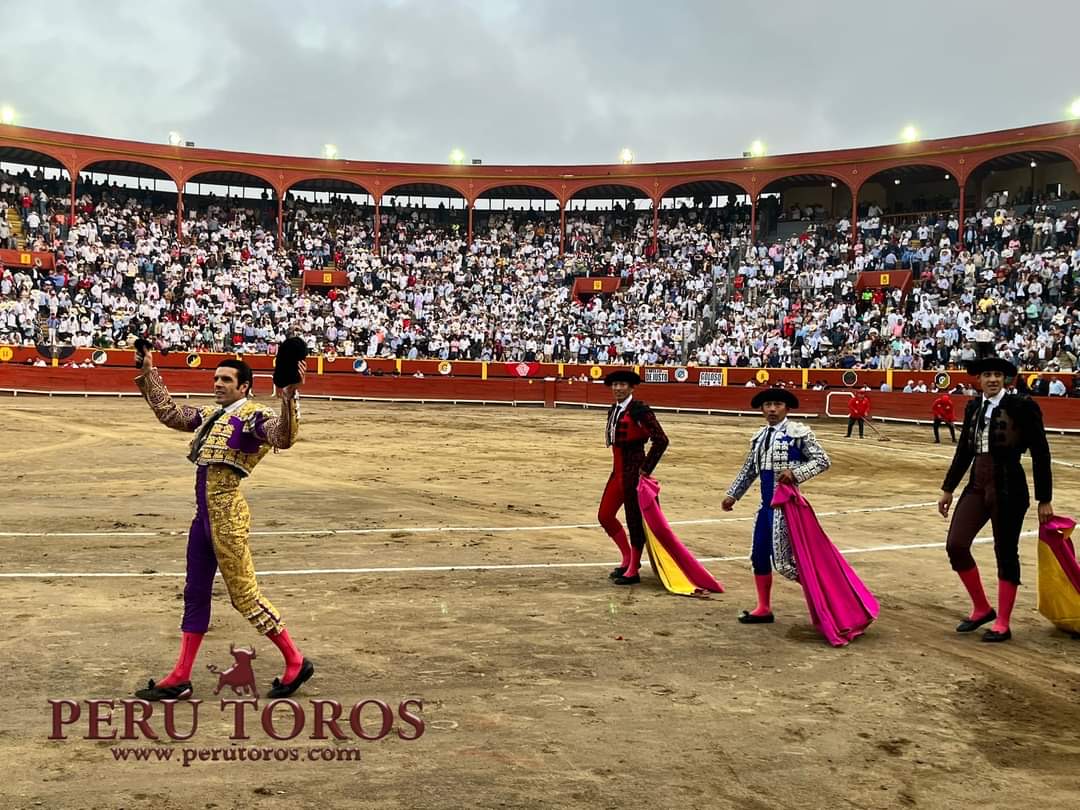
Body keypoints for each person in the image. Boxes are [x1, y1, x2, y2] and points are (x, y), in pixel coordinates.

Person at [132, 345, 315, 699]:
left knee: (244, 596)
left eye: (226, 380)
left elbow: (284, 437)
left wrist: (290, 394)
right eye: (216, 378)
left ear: (244, 386)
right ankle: (181, 676)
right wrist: (149, 373)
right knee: (195, 593)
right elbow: (171, 414)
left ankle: (295, 660)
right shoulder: (210, 415)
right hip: (203, 518)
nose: (217, 384)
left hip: (228, 516)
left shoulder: (254, 417)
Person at [938, 356, 1054, 642]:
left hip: (1009, 485)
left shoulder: (1022, 406)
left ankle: (1003, 621)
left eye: (997, 375)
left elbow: (1040, 451)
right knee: (956, 544)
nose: (992, 379)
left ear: (1005, 379)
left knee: (1005, 551)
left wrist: (1044, 498)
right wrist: (948, 488)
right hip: (977, 483)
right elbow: (964, 451)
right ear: (979, 379)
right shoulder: (974, 407)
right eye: (987, 374)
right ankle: (981, 608)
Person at [721, 388, 831, 623]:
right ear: (762, 409)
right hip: (765, 507)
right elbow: (750, 469)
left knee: (785, 563)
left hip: (787, 507)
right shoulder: (760, 436)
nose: (772, 409)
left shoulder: (799, 433)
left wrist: (796, 472)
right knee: (758, 556)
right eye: (768, 405)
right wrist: (733, 495)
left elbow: (822, 460)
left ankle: (827, 601)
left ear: (787, 408)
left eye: (777, 404)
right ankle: (763, 608)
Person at [598, 369, 669, 585]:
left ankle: (633, 569)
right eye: (615, 384)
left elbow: (661, 440)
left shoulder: (639, 410)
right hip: (617, 470)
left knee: (634, 520)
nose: (618, 388)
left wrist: (645, 469)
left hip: (634, 471)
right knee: (605, 516)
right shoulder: (615, 410)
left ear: (631, 387)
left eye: (623, 384)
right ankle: (628, 557)